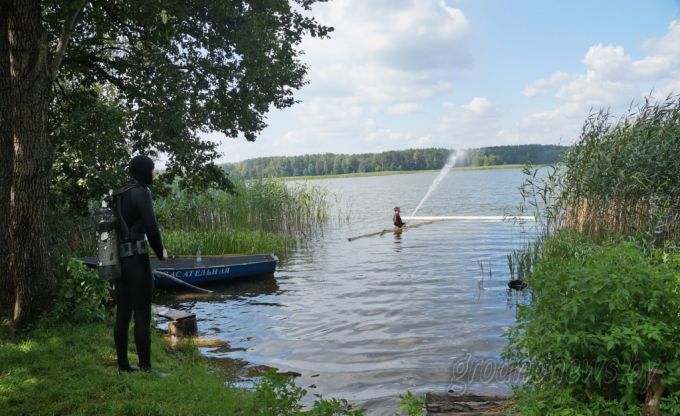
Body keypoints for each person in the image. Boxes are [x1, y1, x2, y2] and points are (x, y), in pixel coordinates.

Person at [112, 155, 167, 373]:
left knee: (122, 314)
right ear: (144, 171)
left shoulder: (119, 194)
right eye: (152, 169)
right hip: (137, 260)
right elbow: (152, 228)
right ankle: (145, 367)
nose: (154, 173)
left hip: (119, 260)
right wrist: (160, 252)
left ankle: (123, 366)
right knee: (142, 313)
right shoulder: (141, 192)